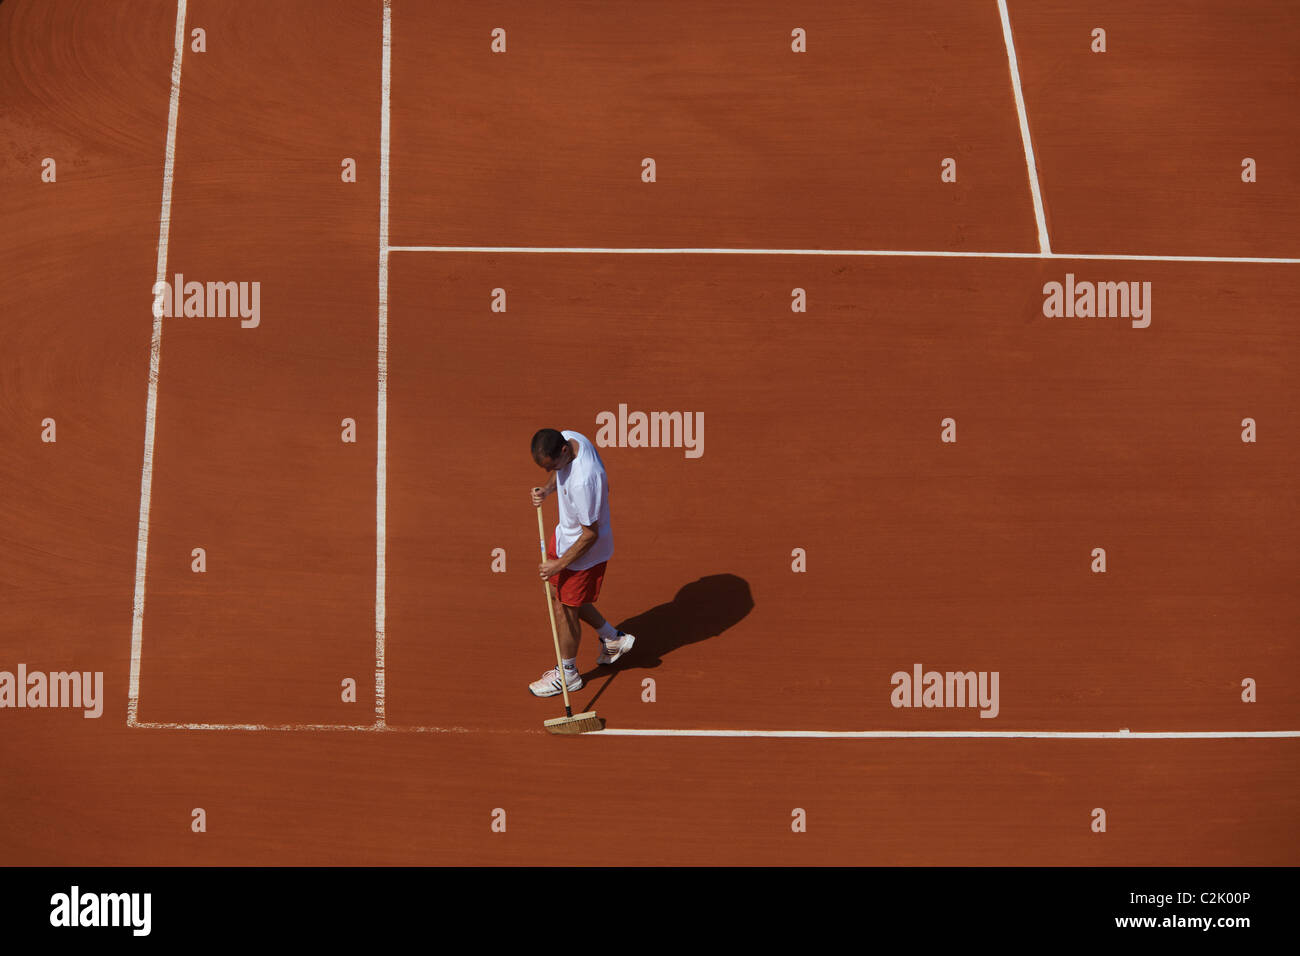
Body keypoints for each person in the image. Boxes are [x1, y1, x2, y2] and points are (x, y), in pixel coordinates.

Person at [528, 427, 634, 697]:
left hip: (584, 552)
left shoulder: (584, 481)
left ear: (564, 451)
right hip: (566, 536)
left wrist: (559, 564)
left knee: (565, 609)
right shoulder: (569, 437)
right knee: (554, 592)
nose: (549, 471)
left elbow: (591, 534)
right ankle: (613, 638)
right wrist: (548, 489)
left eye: (551, 467)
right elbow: (557, 475)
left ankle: (568, 674)